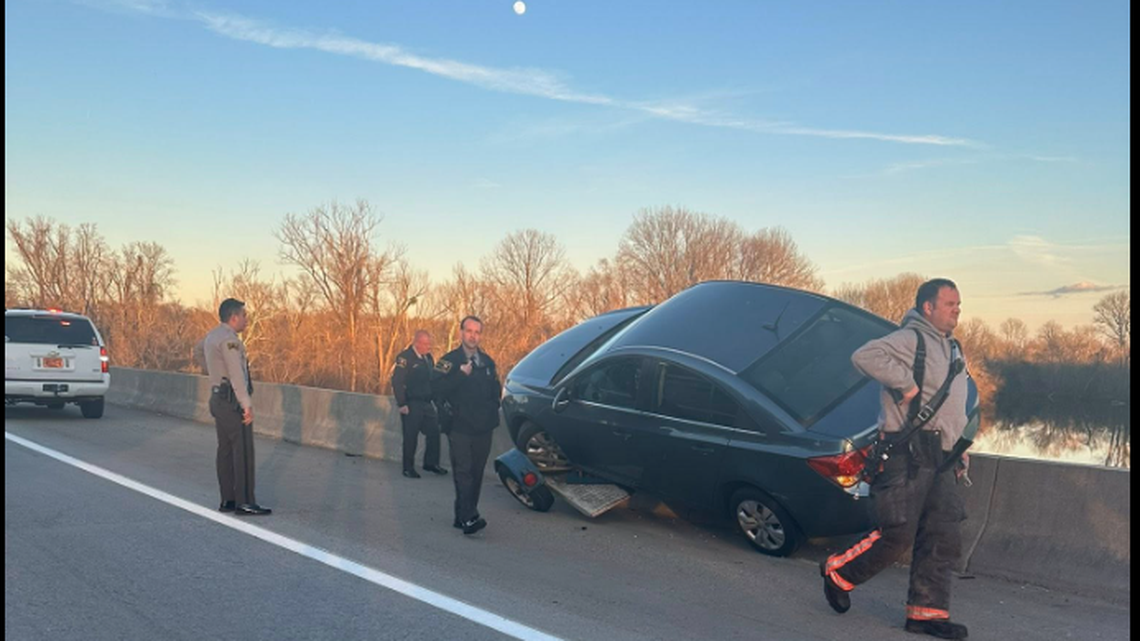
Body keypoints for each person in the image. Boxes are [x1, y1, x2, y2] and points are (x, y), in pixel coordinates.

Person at [820, 279, 971, 639]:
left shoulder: (953, 349)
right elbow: (864, 356)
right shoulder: (910, 339)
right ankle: (838, 572)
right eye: (949, 304)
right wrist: (905, 384)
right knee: (898, 532)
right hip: (908, 453)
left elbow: (955, 407)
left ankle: (926, 614)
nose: (956, 310)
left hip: (944, 456)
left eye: (958, 304)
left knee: (942, 535)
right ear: (927, 308)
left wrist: (961, 449)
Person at [199, 298, 271, 516]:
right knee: (243, 451)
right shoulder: (230, 341)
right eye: (244, 316)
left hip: (217, 398)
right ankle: (245, 501)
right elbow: (236, 375)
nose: (246, 320)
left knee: (226, 451)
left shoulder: (212, 336)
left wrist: (212, 372)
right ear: (233, 317)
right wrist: (246, 405)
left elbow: (197, 351)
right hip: (231, 401)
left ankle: (228, 499)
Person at [432, 316, 501, 535]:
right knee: (463, 472)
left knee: (477, 472)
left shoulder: (488, 362)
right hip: (459, 426)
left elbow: (495, 391)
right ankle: (470, 517)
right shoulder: (449, 361)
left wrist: (492, 408)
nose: (473, 335)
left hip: (483, 427)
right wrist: (460, 375)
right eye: (469, 331)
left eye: (477, 332)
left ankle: (461, 515)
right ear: (461, 333)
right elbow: (436, 390)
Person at [391, 330, 448, 479]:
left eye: (429, 344)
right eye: (424, 344)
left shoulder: (428, 358)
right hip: (411, 403)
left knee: (434, 432)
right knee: (411, 436)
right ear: (416, 342)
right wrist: (402, 403)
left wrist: (437, 400)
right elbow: (397, 381)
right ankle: (408, 468)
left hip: (427, 403)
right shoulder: (405, 357)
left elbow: (432, 381)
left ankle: (431, 463)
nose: (427, 347)